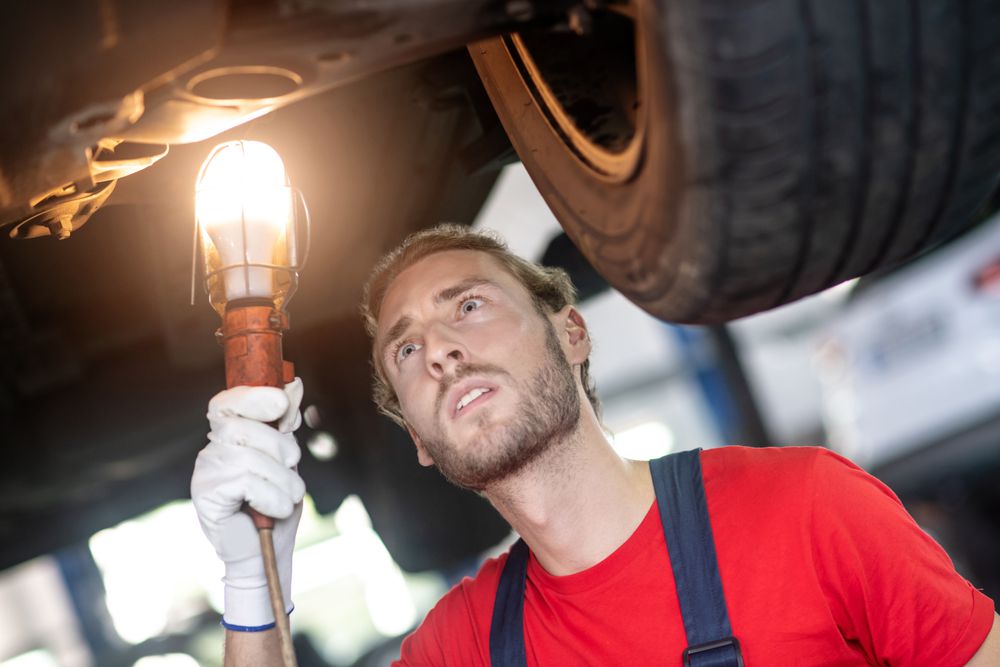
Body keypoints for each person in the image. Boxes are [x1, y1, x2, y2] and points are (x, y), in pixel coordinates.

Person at [192, 224, 1000, 666]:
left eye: (468, 306)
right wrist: (251, 582)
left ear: (571, 332)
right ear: (420, 443)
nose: (438, 350)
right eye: (406, 350)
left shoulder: (805, 504)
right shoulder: (466, 645)